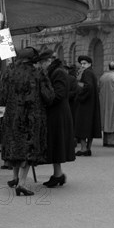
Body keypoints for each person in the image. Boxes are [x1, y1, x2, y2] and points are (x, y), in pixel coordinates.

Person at [0, 47, 54, 196]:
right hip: (32, 117)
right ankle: (22, 184)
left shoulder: (9, 73)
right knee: (28, 149)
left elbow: (3, 96)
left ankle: (14, 178)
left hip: (12, 116)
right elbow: (49, 96)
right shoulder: (38, 73)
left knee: (15, 145)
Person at [37, 49, 75, 188]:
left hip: (58, 114)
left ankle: (58, 175)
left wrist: (44, 98)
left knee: (57, 144)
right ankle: (58, 175)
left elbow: (59, 94)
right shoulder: (52, 72)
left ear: (49, 61)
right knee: (55, 145)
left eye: (42, 62)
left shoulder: (58, 72)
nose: (41, 65)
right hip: (54, 113)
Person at [74, 55, 102, 156]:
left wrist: (78, 88)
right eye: (81, 64)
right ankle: (88, 148)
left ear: (89, 64)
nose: (82, 65)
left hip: (85, 104)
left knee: (82, 126)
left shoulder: (86, 73)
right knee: (90, 127)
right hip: (92, 103)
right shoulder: (92, 72)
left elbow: (87, 86)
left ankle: (83, 148)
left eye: (84, 63)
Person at [99, 61, 114, 148]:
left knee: (106, 121)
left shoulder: (103, 77)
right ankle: (113, 142)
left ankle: (105, 141)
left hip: (103, 102)